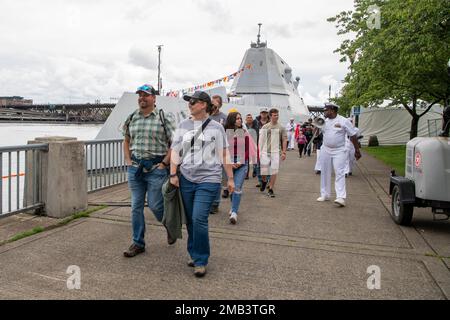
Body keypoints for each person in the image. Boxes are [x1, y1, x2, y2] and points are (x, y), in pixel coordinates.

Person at [170, 91, 234, 277]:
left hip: (209, 178)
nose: (190, 104)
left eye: (194, 101)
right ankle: (193, 252)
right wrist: (173, 173)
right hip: (186, 177)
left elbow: (224, 154)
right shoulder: (183, 125)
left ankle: (201, 260)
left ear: (204, 104)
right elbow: (175, 151)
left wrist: (229, 178)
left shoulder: (217, 127)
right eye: (189, 101)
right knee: (190, 220)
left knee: (199, 218)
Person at [122, 84, 176, 258]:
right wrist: (128, 160)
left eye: (145, 95)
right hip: (135, 169)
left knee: (155, 205)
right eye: (140, 95)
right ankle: (138, 243)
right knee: (135, 207)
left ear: (154, 98)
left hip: (156, 169)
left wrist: (164, 163)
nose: (142, 98)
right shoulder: (132, 117)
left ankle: (169, 226)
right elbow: (126, 139)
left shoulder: (163, 117)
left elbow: (174, 143)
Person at [317, 103, 361, 207]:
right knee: (325, 172)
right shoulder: (325, 121)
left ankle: (340, 197)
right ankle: (325, 194)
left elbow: (353, 135)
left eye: (326, 110)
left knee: (339, 172)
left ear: (332, 110)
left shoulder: (344, 121)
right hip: (326, 149)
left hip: (339, 150)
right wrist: (317, 125)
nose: (324, 112)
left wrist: (357, 150)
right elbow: (317, 133)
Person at [224, 111, 256, 224]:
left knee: (237, 187)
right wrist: (229, 162)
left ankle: (234, 212)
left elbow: (247, 149)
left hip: (242, 163)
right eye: (237, 118)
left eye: (240, 118)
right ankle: (234, 206)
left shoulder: (244, 132)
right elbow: (224, 150)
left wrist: (241, 161)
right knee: (232, 188)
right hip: (229, 162)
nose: (240, 120)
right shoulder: (226, 133)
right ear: (232, 120)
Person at [259, 108, 288, 198]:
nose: (276, 116)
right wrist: (259, 152)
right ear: (270, 116)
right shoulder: (265, 127)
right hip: (265, 151)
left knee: (274, 171)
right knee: (264, 171)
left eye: (277, 115)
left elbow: (284, 140)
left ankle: (271, 189)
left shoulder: (281, 128)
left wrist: (284, 152)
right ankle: (264, 181)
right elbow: (261, 140)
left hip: (276, 152)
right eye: (275, 115)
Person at [255, 107, 270, 188]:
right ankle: (260, 181)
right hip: (258, 145)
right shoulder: (256, 122)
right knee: (258, 165)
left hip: (268, 146)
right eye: (262, 113)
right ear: (260, 113)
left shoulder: (271, 122)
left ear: (267, 113)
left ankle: (267, 181)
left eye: (265, 113)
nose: (264, 114)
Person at [245, 113, 259, 178]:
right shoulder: (244, 126)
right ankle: (246, 174)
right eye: (248, 118)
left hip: (254, 144)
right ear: (246, 119)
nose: (249, 119)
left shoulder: (256, 126)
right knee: (246, 159)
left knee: (254, 159)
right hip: (246, 145)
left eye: (250, 117)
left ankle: (255, 170)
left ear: (252, 119)